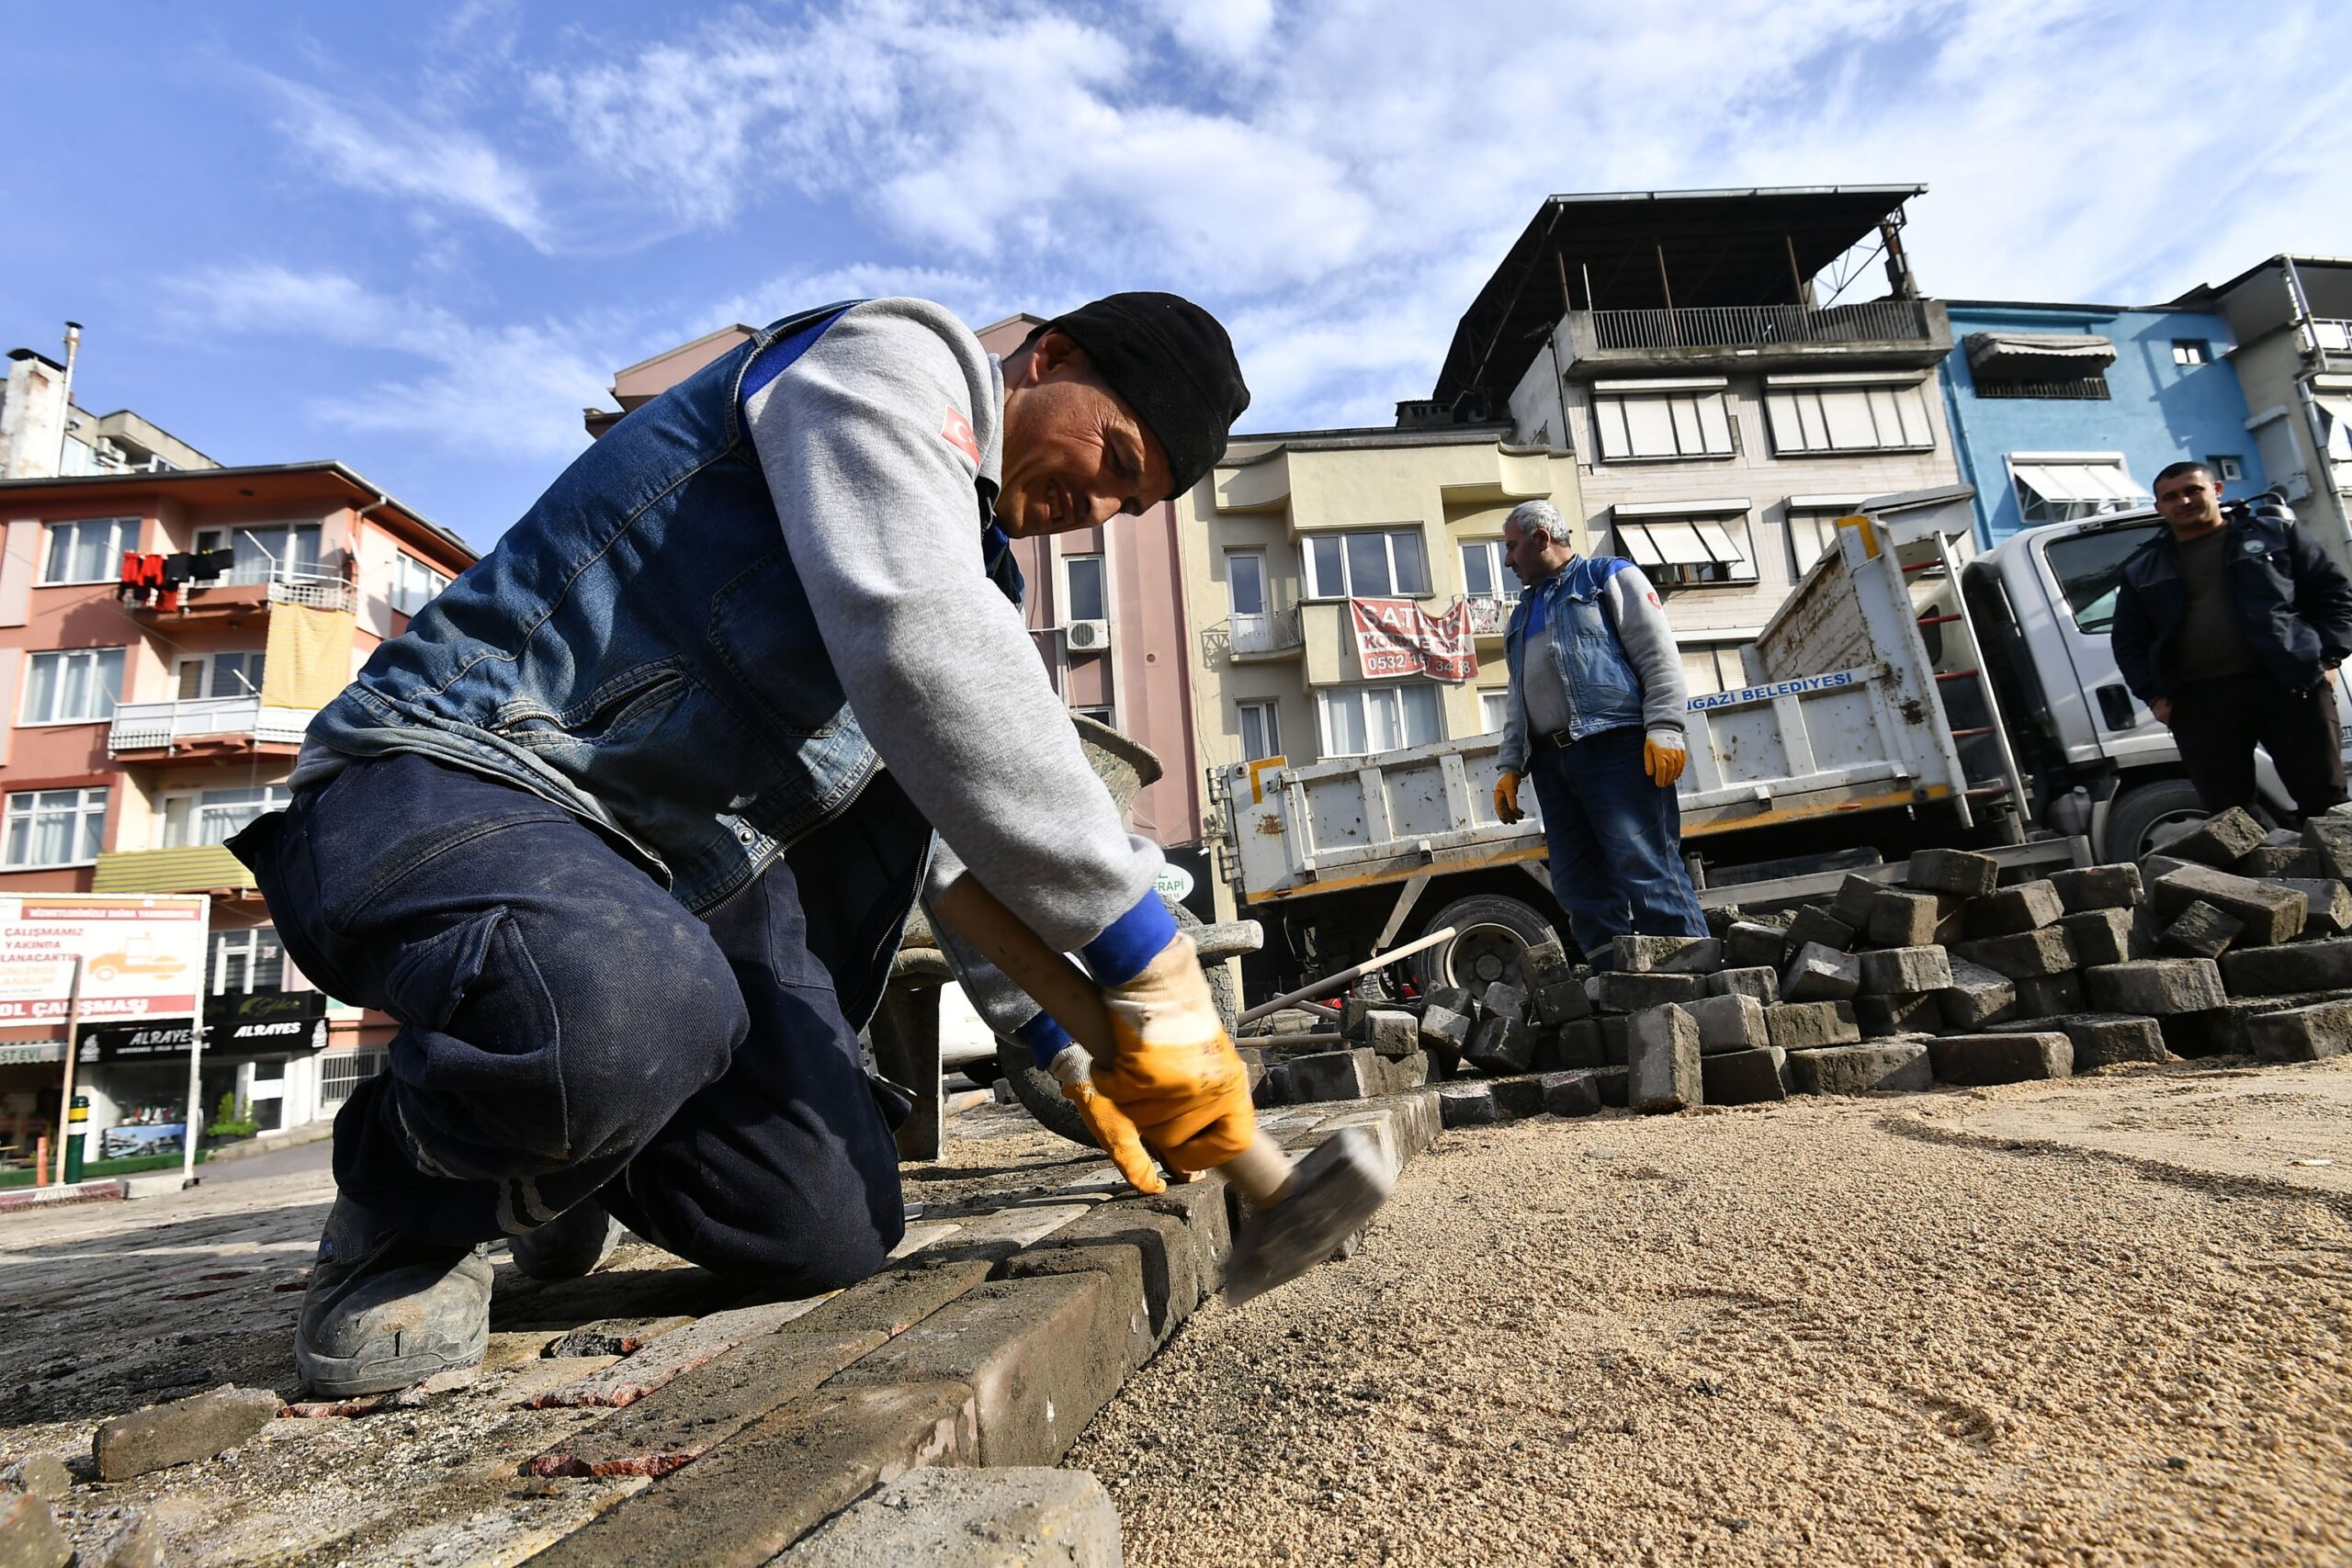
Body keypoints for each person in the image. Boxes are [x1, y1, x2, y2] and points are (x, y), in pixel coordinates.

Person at [231, 293, 1258, 1398]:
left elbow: (953, 827)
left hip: (667, 871)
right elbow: (923, 639)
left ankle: (553, 1152)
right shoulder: (891, 361)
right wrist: (1147, 962)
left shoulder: (961, 564)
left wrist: (1060, 1040)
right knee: (619, 1009)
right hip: (464, 772)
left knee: (820, 1220)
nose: (1092, 505)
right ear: (1049, 357)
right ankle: (410, 1195)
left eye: (1125, 503)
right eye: (1113, 458)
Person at [1488, 500, 1707, 968]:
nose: (1508, 560)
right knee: (1577, 883)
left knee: (1643, 863)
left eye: (1512, 547)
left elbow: (1658, 655)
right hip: (1552, 762)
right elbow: (1518, 697)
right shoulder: (1521, 615)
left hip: (1615, 748)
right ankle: (1615, 979)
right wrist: (1510, 766)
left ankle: (1691, 974)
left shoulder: (1608, 578)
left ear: (1542, 539)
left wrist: (1665, 727)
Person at [2109, 461, 2352, 821]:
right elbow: (2129, 641)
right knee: (2229, 815)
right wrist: (2155, 697)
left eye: (2193, 490)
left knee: (2324, 800)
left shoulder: (2277, 535)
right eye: (2171, 496)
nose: (2184, 501)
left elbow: (2334, 595)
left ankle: (2338, 861)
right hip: (2200, 700)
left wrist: (2329, 658)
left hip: (2288, 683)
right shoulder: (2142, 570)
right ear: (2159, 507)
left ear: (2217, 490)